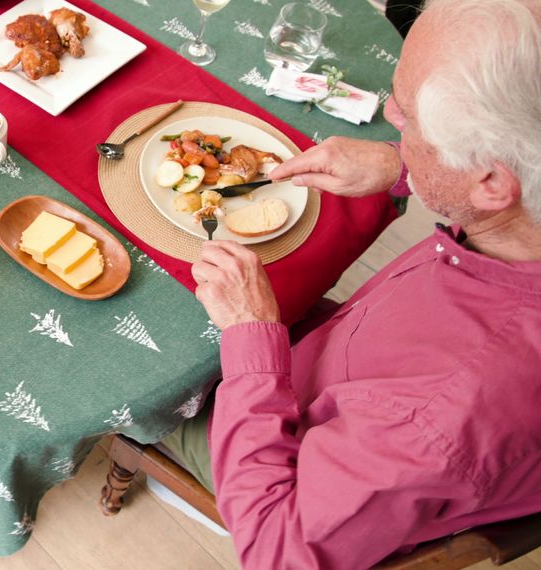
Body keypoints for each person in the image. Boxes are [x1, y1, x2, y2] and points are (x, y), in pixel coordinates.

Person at [159, 0, 541, 567]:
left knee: (132, 354)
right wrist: (404, 165)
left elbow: (276, 554)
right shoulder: (519, 212)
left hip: (286, 469)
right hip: (339, 357)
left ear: (489, 182)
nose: (389, 115)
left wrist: (251, 334)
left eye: (408, 121)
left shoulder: (443, 415)